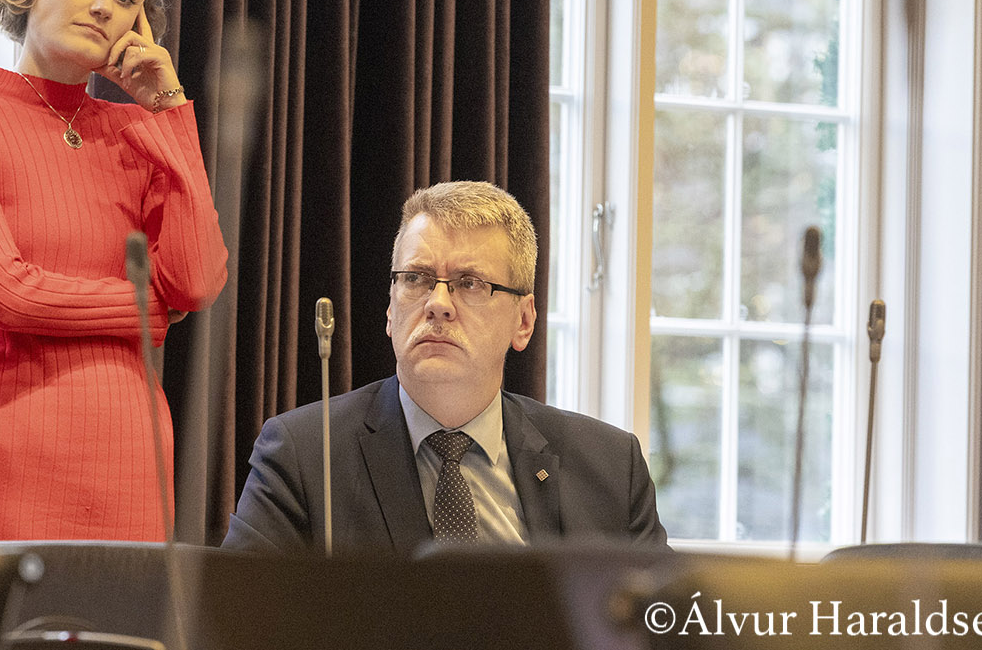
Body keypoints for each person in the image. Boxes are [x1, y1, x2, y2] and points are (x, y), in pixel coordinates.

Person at [0, 0, 228, 542]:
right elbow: (7, 295)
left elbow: (195, 282)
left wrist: (170, 108)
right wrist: (150, 310)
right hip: (5, 452)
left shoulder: (141, 130)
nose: (104, 6)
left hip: (132, 459)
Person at [223, 180, 668, 553]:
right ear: (390, 310)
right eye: (416, 278)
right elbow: (235, 623)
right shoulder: (304, 454)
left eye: (469, 283)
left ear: (524, 321)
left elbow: (663, 624)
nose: (438, 303)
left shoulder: (610, 467)